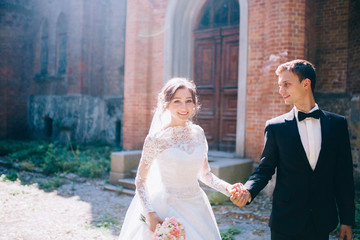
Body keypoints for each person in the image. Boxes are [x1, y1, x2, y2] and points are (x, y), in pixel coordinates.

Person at [230, 60, 355, 240]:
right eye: (280, 85)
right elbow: (264, 171)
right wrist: (248, 191)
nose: (281, 90)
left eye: (286, 84)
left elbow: (343, 176)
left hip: (321, 222)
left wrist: (347, 220)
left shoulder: (337, 124)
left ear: (306, 84)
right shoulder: (275, 127)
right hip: (285, 222)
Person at [119, 77, 237, 240]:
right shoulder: (156, 139)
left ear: (195, 104)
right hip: (166, 208)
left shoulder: (198, 133)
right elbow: (140, 180)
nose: (184, 107)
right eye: (177, 101)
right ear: (166, 104)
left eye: (189, 101)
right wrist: (150, 213)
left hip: (196, 208)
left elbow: (205, 175)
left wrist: (229, 189)